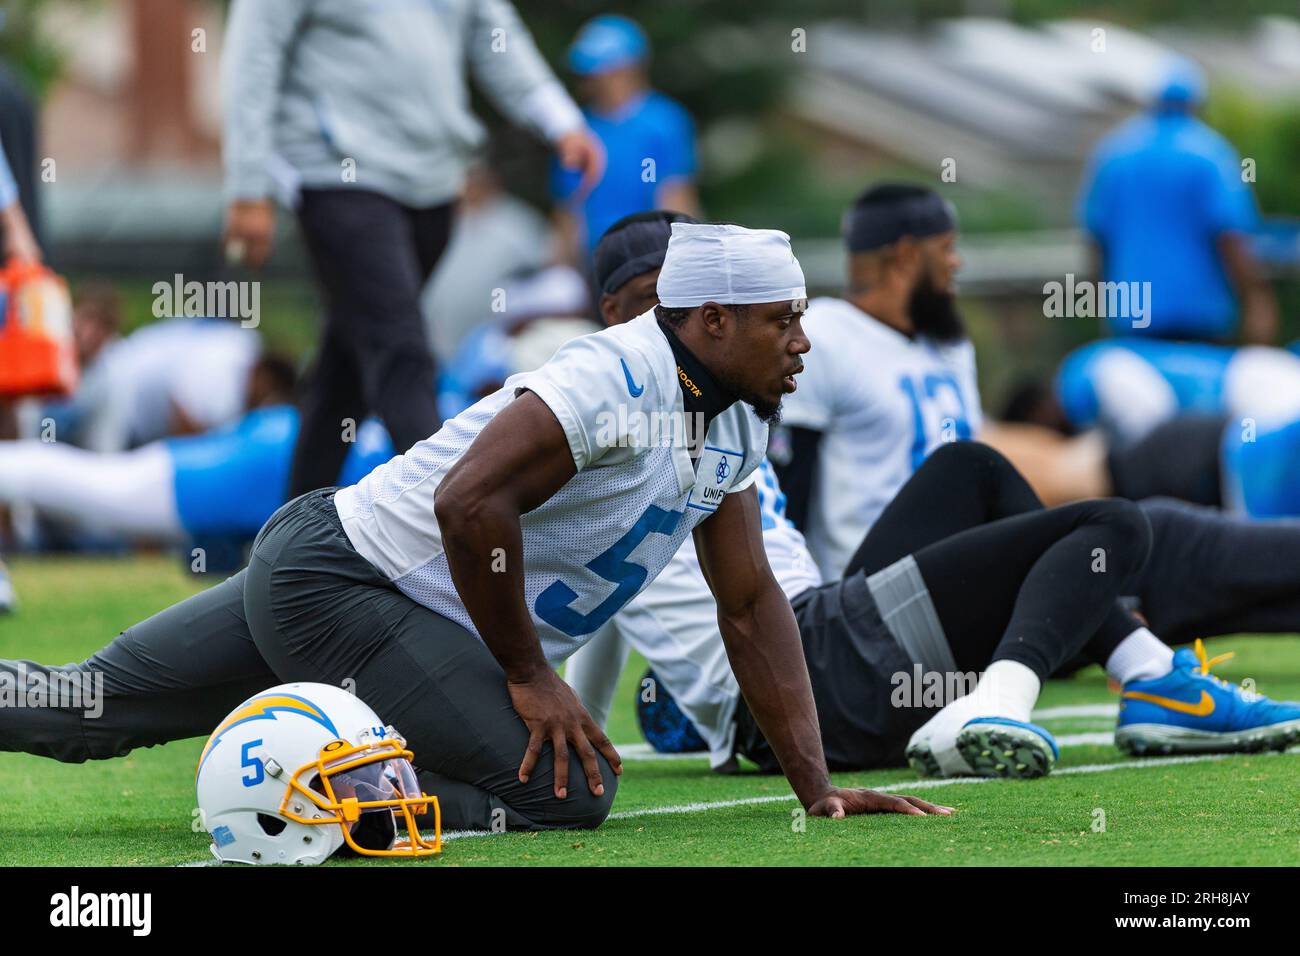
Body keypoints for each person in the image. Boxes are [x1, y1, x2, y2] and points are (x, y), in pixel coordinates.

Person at [0, 223, 950, 830]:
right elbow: (468, 503)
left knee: (84, 710)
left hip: (359, 587)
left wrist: (815, 786)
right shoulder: (612, 378)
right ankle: (319, 789)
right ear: (708, 320)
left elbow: (747, 604)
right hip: (344, 580)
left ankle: (315, 773)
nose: (803, 342)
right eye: (781, 320)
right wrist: (533, 677)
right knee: (570, 791)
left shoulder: (733, 417)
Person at [566, 213, 1300, 780]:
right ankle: (1015, 700)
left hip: (819, 641)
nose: (685, 313)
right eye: (657, 300)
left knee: (973, 469)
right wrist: (566, 705)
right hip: (808, 670)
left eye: (698, 294)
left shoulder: (721, 407)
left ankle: (1147, 676)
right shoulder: (617, 412)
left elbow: (612, 586)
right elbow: (580, 570)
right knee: (1118, 526)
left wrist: (589, 719)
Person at [220, 0, 604, 498]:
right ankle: (451, 524)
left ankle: (283, 540)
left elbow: (495, 36)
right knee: (402, 350)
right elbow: (254, 53)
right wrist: (248, 185)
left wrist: (560, 121)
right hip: (336, 174)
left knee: (350, 364)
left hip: (434, 182)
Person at [770, 182, 978, 579]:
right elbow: (788, 493)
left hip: (959, 576)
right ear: (906, 256)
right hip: (861, 594)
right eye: (947, 248)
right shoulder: (823, 339)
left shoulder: (950, 344)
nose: (957, 263)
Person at [0, 355, 392, 545]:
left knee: (88, 480)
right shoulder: (384, 451)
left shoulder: (305, 422)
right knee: (88, 487)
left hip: (185, 472)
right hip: (187, 489)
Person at [1077, 57, 1277, 343]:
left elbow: (1096, 240)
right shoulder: (1212, 154)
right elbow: (1231, 237)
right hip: (1202, 324)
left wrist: (1099, 306)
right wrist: (1255, 298)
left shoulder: (1114, 153)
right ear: (1196, 104)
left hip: (1132, 321)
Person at [552, 15, 700, 265]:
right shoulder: (576, 128)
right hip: (595, 263)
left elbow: (676, 196)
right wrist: (559, 270)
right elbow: (569, 209)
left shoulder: (664, 121)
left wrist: (681, 260)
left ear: (631, 69)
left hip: (652, 258)